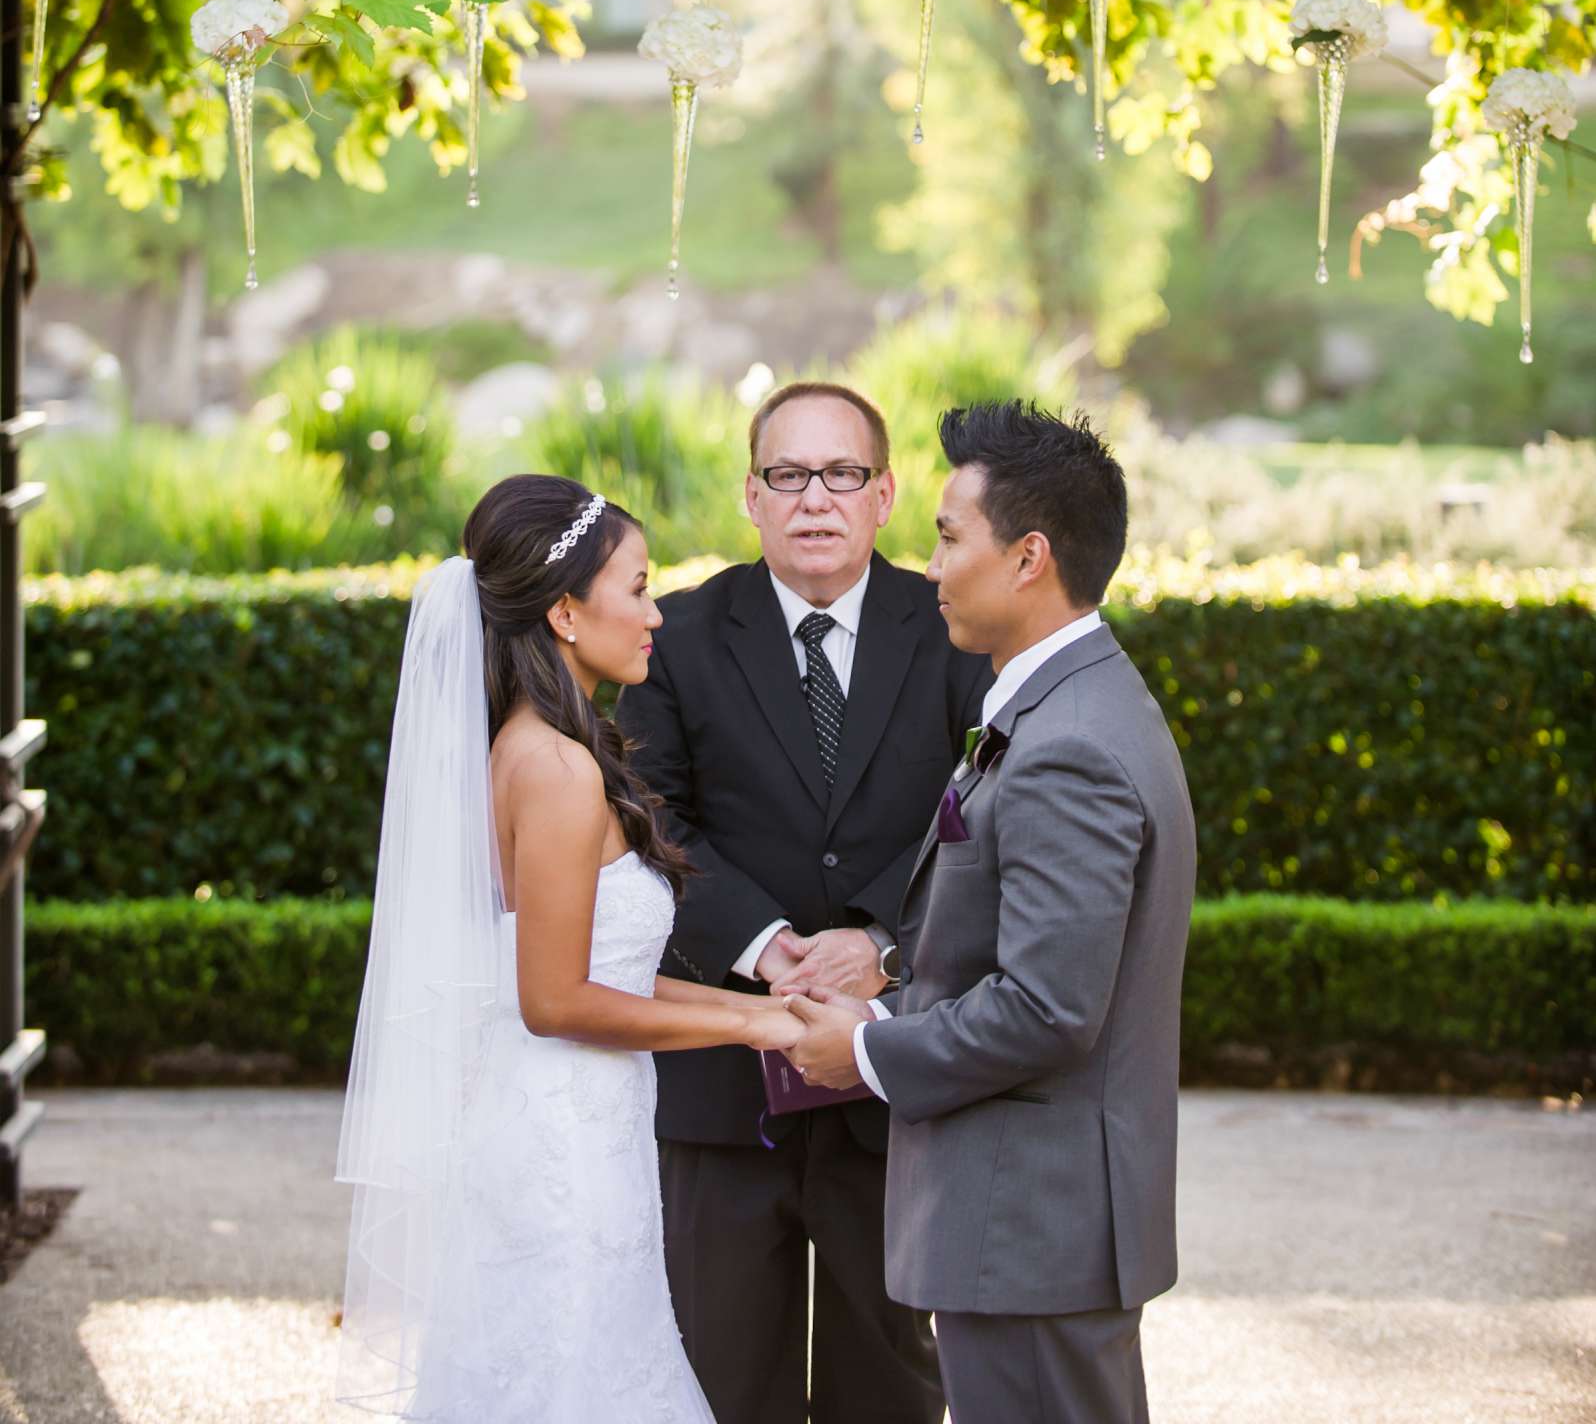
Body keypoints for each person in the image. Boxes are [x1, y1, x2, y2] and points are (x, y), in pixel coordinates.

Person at [336, 473, 802, 1424]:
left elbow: (608, 978)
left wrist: (760, 1012)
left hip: (583, 1125)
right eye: (637, 588)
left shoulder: (539, 746)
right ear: (562, 612)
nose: (657, 615)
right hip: (559, 1148)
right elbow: (553, 1001)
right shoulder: (553, 767)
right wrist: (747, 1027)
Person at [788, 402, 1197, 1424]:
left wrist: (868, 1054)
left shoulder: (1070, 743)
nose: (928, 568)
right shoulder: (1067, 703)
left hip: (1032, 1230)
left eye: (947, 537)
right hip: (1029, 1230)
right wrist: (882, 990)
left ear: (1029, 558)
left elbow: (1051, 1007)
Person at [616, 380, 990, 1424]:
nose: (814, 498)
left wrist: (880, 935)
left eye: (842, 474)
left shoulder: (954, 625)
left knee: (894, 1382)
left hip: (893, 1078)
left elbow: (985, 801)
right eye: (788, 474)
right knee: (724, 1376)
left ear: (884, 495)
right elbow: (648, 814)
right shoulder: (680, 635)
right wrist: (769, 943)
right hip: (724, 1086)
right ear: (751, 493)